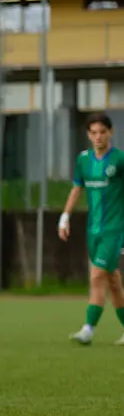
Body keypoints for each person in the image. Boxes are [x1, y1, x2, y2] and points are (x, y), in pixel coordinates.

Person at [64, 113, 124, 345]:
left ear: (111, 133)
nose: (98, 137)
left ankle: (88, 329)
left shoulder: (119, 159)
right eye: (94, 133)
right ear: (88, 135)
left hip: (115, 229)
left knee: (97, 274)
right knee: (113, 282)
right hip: (94, 230)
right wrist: (65, 217)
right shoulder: (83, 160)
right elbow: (77, 188)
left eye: (102, 132)